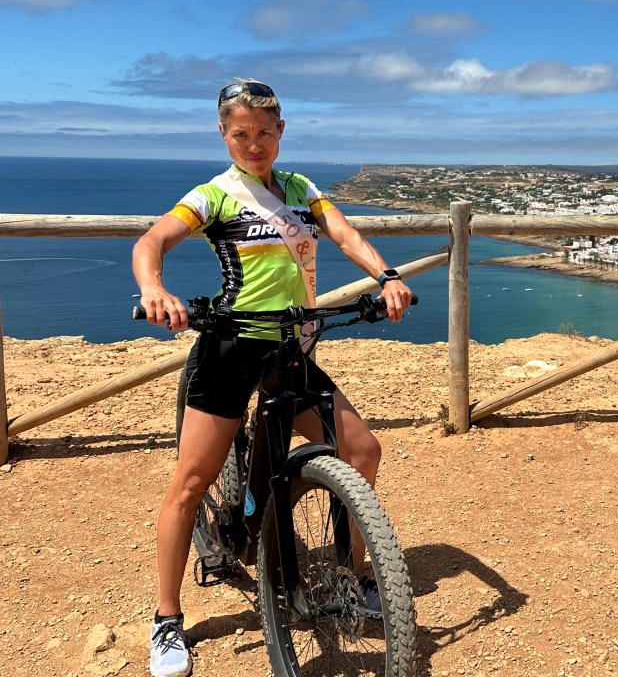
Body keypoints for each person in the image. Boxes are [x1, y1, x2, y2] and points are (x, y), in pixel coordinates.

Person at [133, 79, 413, 677]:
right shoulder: (214, 196)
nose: (254, 144)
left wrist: (386, 275)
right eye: (241, 134)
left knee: (362, 450)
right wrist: (154, 289)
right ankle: (167, 618)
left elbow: (344, 233)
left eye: (264, 132)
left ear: (281, 131)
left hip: (291, 346)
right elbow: (152, 241)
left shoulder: (301, 190)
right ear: (224, 135)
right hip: (231, 347)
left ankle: (351, 576)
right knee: (191, 481)